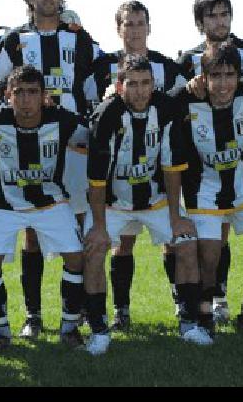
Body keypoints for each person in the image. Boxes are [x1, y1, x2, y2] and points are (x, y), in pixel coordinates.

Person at [0, 0, 99, 339]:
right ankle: (33, 315)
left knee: (73, 226)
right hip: (23, 142)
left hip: (72, 144)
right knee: (30, 234)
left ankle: (74, 312)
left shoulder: (79, 39)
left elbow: (101, 83)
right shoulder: (16, 40)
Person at [84, 54, 208, 355]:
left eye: (146, 83)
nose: (140, 91)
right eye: (133, 84)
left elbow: (171, 166)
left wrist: (176, 216)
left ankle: (189, 323)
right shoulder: (106, 116)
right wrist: (100, 227)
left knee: (187, 243)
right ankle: (99, 331)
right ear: (119, 85)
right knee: (95, 248)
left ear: (154, 84)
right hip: (113, 204)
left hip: (155, 201)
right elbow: (97, 181)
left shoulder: (165, 109)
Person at [176, 0, 243, 325]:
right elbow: (151, 100)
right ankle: (206, 308)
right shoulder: (184, 89)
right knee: (209, 252)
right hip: (203, 186)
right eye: (211, 15)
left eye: (225, 14)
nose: (223, 83)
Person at [82, 0, 186, 331]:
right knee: (121, 243)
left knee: (172, 241)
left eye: (141, 22)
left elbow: (185, 101)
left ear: (149, 27)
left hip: (154, 172)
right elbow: (85, 103)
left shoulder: (167, 67)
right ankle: (121, 310)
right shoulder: (101, 67)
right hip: (114, 171)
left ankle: (181, 304)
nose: (135, 29)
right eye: (129, 24)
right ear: (119, 29)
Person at [0, 65, 89, 352]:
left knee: (76, 258)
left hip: (50, 202)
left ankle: (69, 326)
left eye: (32, 93)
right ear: (8, 97)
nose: (26, 100)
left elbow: (94, 132)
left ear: (44, 97)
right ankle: (1, 331)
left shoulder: (62, 120)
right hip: (2, 205)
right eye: (19, 93)